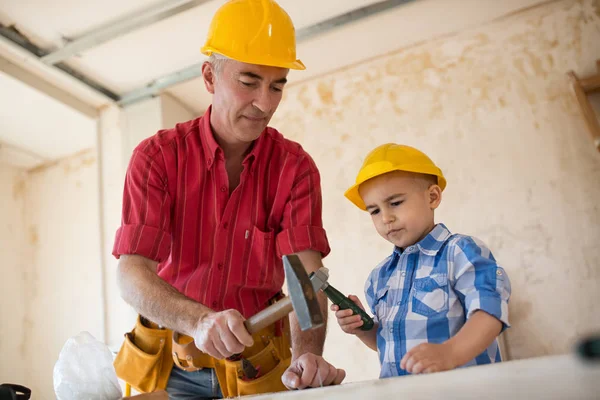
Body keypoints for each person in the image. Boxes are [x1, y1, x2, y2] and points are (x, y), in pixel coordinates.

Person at [112, 0, 344, 397]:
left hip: (259, 363)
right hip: (171, 363)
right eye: (249, 81)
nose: (265, 103)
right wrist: (200, 321)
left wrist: (307, 355)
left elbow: (307, 280)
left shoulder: (296, 169)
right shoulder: (156, 158)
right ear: (209, 76)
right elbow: (132, 274)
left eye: (277, 85)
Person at [333, 143, 511, 378]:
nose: (386, 218)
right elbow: (389, 342)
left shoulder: (461, 252)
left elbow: (490, 313)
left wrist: (451, 352)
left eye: (395, 203)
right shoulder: (379, 277)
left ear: (433, 197)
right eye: (374, 211)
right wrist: (362, 328)